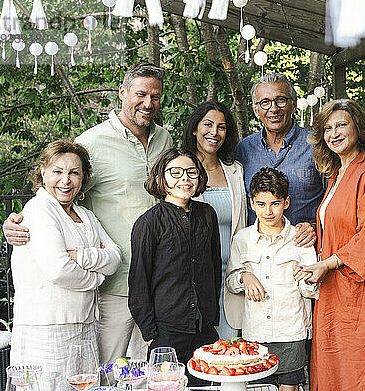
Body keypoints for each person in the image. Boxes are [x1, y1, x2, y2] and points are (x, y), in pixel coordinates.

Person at [3, 62, 174, 367]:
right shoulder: (92, 142)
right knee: (109, 371)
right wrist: (17, 222)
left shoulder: (165, 140)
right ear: (123, 93)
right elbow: (58, 189)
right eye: (140, 94)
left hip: (160, 278)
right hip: (115, 285)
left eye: (156, 96)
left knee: (150, 372)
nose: (148, 103)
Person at [295, 99, 365, 391]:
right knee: (335, 372)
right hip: (334, 291)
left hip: (361, 291)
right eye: (328, 128)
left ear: (358, 126)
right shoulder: (336, 173)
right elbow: (340, 224)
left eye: (342, 125)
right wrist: (315, 232)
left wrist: (328, 263)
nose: (335, 133)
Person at [10, 140, 120, 391]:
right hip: (48, 329)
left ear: (83, 178)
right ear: (43, 173)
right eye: (57, 171)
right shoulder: (39, 210)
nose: (66, 180)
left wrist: (80, 256)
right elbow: (59, 270)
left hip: (85, 326)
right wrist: (97, 279)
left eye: (74, 172)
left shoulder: (86, 215)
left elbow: (114, 257)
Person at [128, 148, 220, 385]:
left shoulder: (208, 215)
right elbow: (139, 283)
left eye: (191, 172)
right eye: (175, 173)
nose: (185, 179)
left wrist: (212, 316)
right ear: (161, 178)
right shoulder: (148, 223)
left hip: (204, 329)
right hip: (166, 331)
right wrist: (152, 334)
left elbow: (214, 268)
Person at [226, 167, 318, 391]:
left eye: (275, 203)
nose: (268, 211)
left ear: (286, 202)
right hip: (255, 333)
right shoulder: (242, 239)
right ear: (251, 203)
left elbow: (311, 290)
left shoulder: (300, 238)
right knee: (257, 387)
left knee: (290, 387)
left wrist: (305, 278)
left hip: (291, 331)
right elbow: (230, 281)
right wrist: (244, 276)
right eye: (261, 204)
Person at [182, 101, 247, 340]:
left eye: (221, 127)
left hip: (233, 276)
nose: (214, 132)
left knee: (230, 355)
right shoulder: (181, 171)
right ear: (194, 129)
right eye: (207, 125)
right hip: (196, 278)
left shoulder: (235, 170)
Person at [235, 72, 323, 247]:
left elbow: (334, 198)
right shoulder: (244, 149)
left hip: (304, 252)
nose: (273, 109)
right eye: (265, 102)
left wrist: (314, 227)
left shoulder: (316, 144)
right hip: (257, 254)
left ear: (293, 105)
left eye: (280, 100)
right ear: (256, 110)